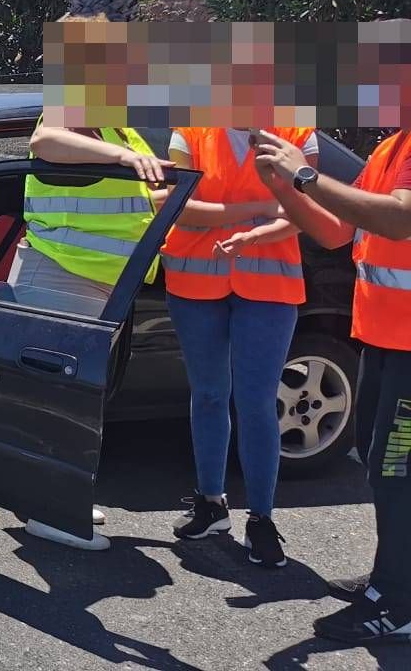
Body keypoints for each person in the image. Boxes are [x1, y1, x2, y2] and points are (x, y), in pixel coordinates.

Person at [253, 128, 411, 644]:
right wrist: (283, 188)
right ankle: (392, 575)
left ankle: (397, 600)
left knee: (397, 471)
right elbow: (338, 232)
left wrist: (305, 174)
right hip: (385, 338)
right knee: (378, 461)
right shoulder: (393, 146)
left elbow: (399, 218)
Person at [11, 119, 172, 550]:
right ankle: (52, 512)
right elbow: (44, 142)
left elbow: (126, 203)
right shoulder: (76, 121)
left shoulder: (120, 130)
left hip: (100, 281)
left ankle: (60, 498)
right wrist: (123, 157)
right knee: (62, 399)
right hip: (63, 273)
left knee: (80, 397)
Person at [162, 126, 316, 568]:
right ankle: (211, 504)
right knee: (208, 394)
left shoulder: (298, 131)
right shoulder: (190, 130)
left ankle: (261, 519)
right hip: (195, 282)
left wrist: (252, 235)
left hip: (269, 286)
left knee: (256, 402)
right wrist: (260, 209)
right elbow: (176, 205)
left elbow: (304, 210)